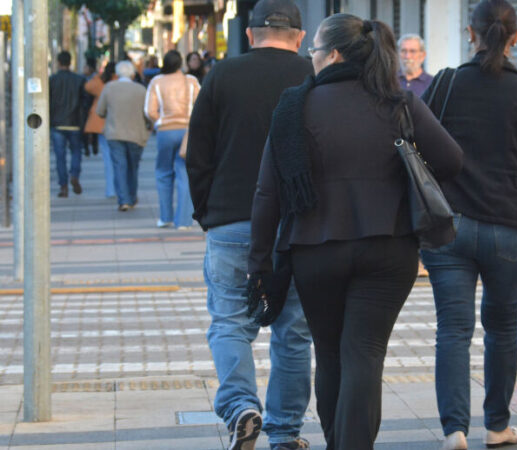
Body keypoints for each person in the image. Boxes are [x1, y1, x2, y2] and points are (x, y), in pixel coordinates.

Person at [248, 13, 462, 450]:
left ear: (332, 55)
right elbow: (452, 159)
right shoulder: (399, 102)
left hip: (314, 249)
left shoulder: (294, 106)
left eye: (314, 52)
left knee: (329, 354)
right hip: (390, 246)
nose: (311, 59)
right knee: (364, 353)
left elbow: (267, 193)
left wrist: (258, 263)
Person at [419, 1, 517, 448]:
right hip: (512, 228)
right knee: (503, 326)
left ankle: (454, 429)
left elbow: (416, 143)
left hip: (448, 225)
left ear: (470, 34)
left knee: (453, 328)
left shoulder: (447, 84)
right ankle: (496, 426)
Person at [186, 1, 315, 449]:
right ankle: (285, 433)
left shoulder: (221, 75)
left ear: (250, 34)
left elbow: (197, 152)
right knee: (294, 330)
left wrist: (207, 210)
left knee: (228, 321)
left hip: (231, 218)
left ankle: (241, 405)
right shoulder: (311, 75)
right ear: (300, 37)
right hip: (297, 224)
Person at [145, 50, 200, 230]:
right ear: (180, 63)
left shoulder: (157, 82)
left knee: (163, 173)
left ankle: (165, 217)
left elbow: (149, 110)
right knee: (185, 174)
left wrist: (160, 121)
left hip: (165, 131)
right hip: (188, 131)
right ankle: (184, 220)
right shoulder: (191, 81)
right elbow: (202, 106)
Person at [95, 61, 151, 212]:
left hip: (115, 133)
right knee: (133, 167)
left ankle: (123, 200)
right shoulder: (141, 90)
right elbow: (148, 113)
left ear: (117, 74)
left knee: (119, 166)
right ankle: (132, 197)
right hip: (136, 134)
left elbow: (100, 111)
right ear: (133, 74)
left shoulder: (109, 88)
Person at [49, 51, 87, 198]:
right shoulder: (79, 80)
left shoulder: (53, 80)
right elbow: (85, 102)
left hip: (57, 123)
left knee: (60, 156)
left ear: (58, 62)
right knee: (76, 152)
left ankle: (63, 186)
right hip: (75, 122)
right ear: (70, 62)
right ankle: (75, 175)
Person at [84, 60, 117, 198]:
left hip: (102, 124)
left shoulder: (100, 83)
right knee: (119, 158)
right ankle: (121, 189)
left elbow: (87, 86)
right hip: (118, 123)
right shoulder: (120, 82)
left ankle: (111, 190)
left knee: (108, 158)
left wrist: (98, 76)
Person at [81, 58, 98, 157]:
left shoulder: (95, 79)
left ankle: (94, 146)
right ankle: (87, 147)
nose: (84, 69)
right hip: (85, 107)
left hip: (93, 106)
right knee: (85, 129)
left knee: (94, 129)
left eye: (86, 68)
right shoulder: (82, 79)